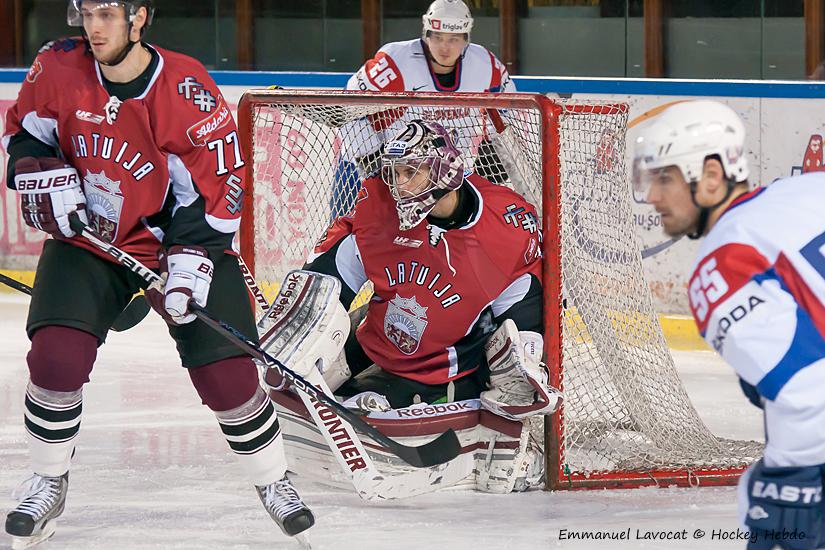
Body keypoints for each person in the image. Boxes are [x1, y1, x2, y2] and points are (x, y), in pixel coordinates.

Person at [2, 1, 313, 547]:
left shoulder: (185, 86)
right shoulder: (57, 67)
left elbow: (223, 187)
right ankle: (47, 480)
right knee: (55, 358)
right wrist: (42, 173)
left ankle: (273, 482)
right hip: (92, 241)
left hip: (181, 243)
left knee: (229, 378)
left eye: (106, 14)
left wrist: (189, 262)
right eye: (85, 13)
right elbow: (24, 140)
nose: (93, 28)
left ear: (138, 17)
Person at [633, 100, 825, 549]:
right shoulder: (809, 192)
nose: (652, 196)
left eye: (665, 178)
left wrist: (788, 488)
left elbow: (808, 392)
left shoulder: (724, 262)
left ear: (713, 176)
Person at [301, 118, 561, 420]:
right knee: (301, 381)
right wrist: (306, 311)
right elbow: (335, 270)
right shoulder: (380, 206)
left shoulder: (506, 225)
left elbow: (526, 305)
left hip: (441, 366)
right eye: (395, 173)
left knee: (362, 407)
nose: (399, 186)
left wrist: (523, 363)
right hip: (375, 336)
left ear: (443, 172)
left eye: (410, 172)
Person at [333, 0, 516, 217]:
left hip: (445, 185)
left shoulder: (487, 67)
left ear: (467, 38)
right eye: (437, 37)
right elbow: (347, 110)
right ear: (426, 33)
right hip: (371, 175)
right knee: (348, 245)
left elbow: (509, 120)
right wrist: (374, 163)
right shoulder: (395, 61)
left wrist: (495, 161)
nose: (445, 47)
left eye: (454, 39)